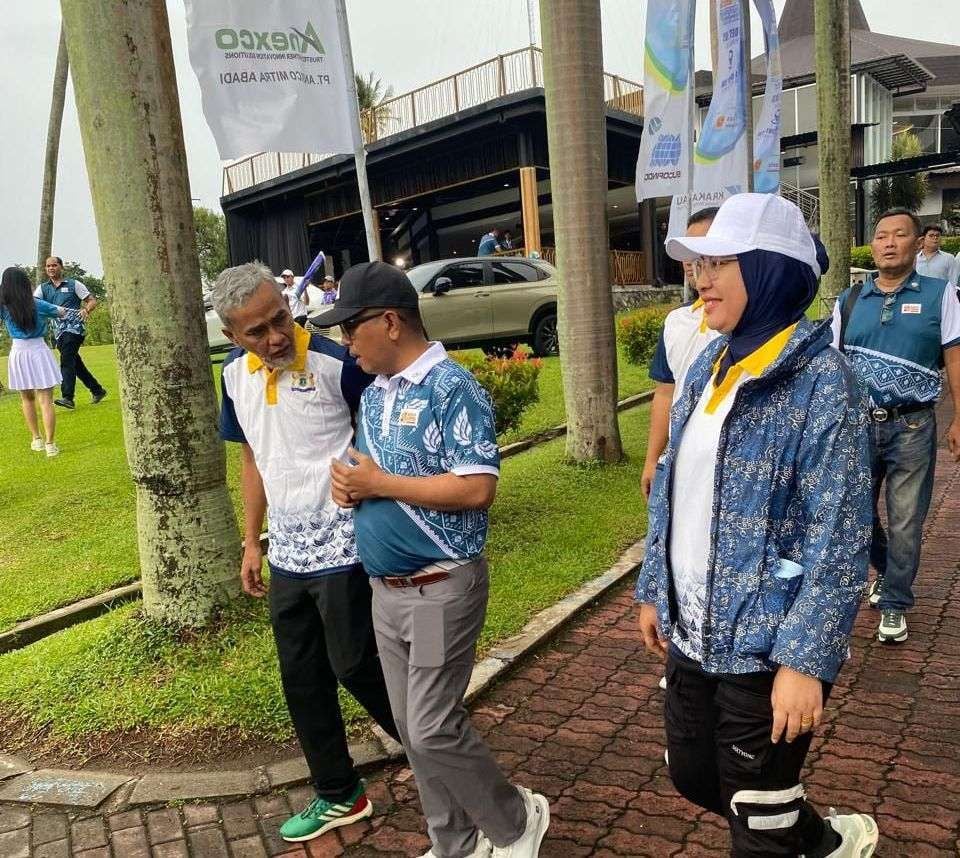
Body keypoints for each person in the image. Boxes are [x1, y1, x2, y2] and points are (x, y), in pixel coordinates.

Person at [637, 193, 878, 858]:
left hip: (769, 642)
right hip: (695, 627)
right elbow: (673, 490)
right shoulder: (709, 367)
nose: (701, 279)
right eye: (699, 264)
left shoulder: (824, 383)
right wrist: (654, 588)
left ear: (770, 269)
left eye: (720, 263)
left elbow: (839, 537)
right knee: (692, 774)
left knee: (756, 817)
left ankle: (788, 832)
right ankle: (823, 842)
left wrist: (804, 661)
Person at [317, 261, 550, 858]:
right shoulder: (375, 395)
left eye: (352, 328)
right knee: (410, 730)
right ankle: (455, 844)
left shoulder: (452, 388)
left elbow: (477, 488)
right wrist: (349, 485)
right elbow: (363, 467)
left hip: (437, 586)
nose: (346, 342)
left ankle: (516, 821)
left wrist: (380, 484)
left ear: (390, 322)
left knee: (430, 726)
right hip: (387, 590)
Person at [212, 262, 400, 844]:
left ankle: (441, 750)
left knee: (356, 663)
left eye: (280, 319)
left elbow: (383, 436)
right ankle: (339, 792)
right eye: (256, 331)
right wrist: (252, 541)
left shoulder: (337, 363)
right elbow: (252, 458)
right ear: (231, 335)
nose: (275, 337)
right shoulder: (234, 378)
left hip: (346, 541)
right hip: (287, 552)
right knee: (302, 676)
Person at [832, 207, 960, 644]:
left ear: (917, 243)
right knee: (854, 514)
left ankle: (894, 603)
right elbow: (831, 366)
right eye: (881, 235)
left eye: (899, 234)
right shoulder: (850, 300)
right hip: (855, 429)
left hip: (913, 427)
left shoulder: (941, 294)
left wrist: (959, 418)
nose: (889, 242)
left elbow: (955, 357)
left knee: (906, 519)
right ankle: (889, 572)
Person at [641, 207, 721, 499]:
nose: (691, 260)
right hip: (682, 459)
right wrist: (652, 460)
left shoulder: (743, 323)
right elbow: (665, 392)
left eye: (702, 248)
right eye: (687, 250)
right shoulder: (676, 321)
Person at [1, 267, 78, 457]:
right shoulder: (37, 304)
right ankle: (50, 444)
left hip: (18, 352)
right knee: (46, 400)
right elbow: (61, 312)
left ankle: (36, 438)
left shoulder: (4, 306)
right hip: (39, 351)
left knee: (27, 398)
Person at [34, 257, 107, 410]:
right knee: (74, 362)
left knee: (66, 359)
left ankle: (68, 397)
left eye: (54, 265)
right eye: (48, 266)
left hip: (75, 328)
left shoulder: (74, 284)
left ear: (61, 267)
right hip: (58, 332)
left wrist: (86, 309)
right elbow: (34, 304)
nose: (51, 268)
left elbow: (92, 300)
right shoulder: (42, 288)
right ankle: (97, 390)